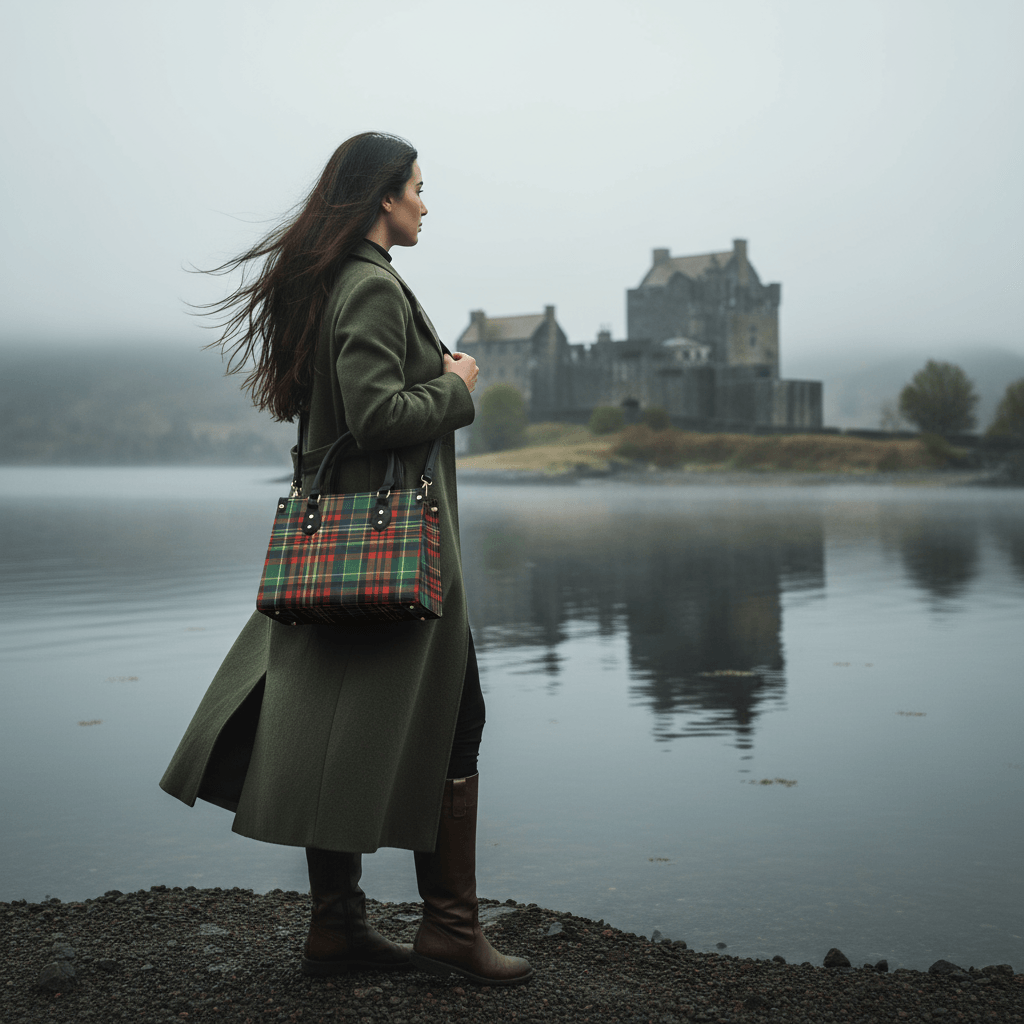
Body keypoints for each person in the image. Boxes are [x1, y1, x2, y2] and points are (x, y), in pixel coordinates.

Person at [160, 132, 533, 986]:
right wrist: (458, 386)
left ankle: (337, 928)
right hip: (391, 546)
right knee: (458, 718)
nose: (425, 204)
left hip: (344, 542)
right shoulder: (367, 288)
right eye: (417, 188)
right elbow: (372, 416)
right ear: (381, 200)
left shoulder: (340, 286)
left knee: (340, 725)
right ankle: (448, 929)